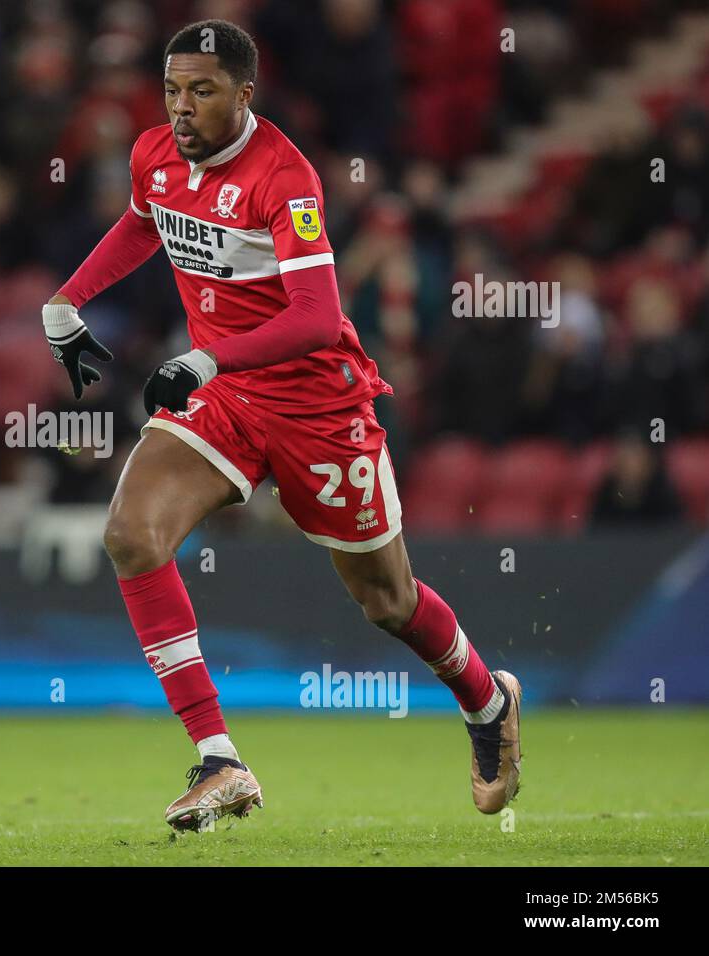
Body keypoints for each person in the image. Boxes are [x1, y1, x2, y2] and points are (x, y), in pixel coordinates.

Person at [42, 20, 521, 830]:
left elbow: (316, 315)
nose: (182, 108)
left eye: (202, 91)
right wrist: (67, 299)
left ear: (244, 94)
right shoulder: (155, 153)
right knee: (131, 534)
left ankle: (485, 698)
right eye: (172, 90)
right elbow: (142, 221)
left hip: (317, 408)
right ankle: (220, 759)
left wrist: (207, 358)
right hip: (228, 402)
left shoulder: (284, 177)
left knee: (387, 601)